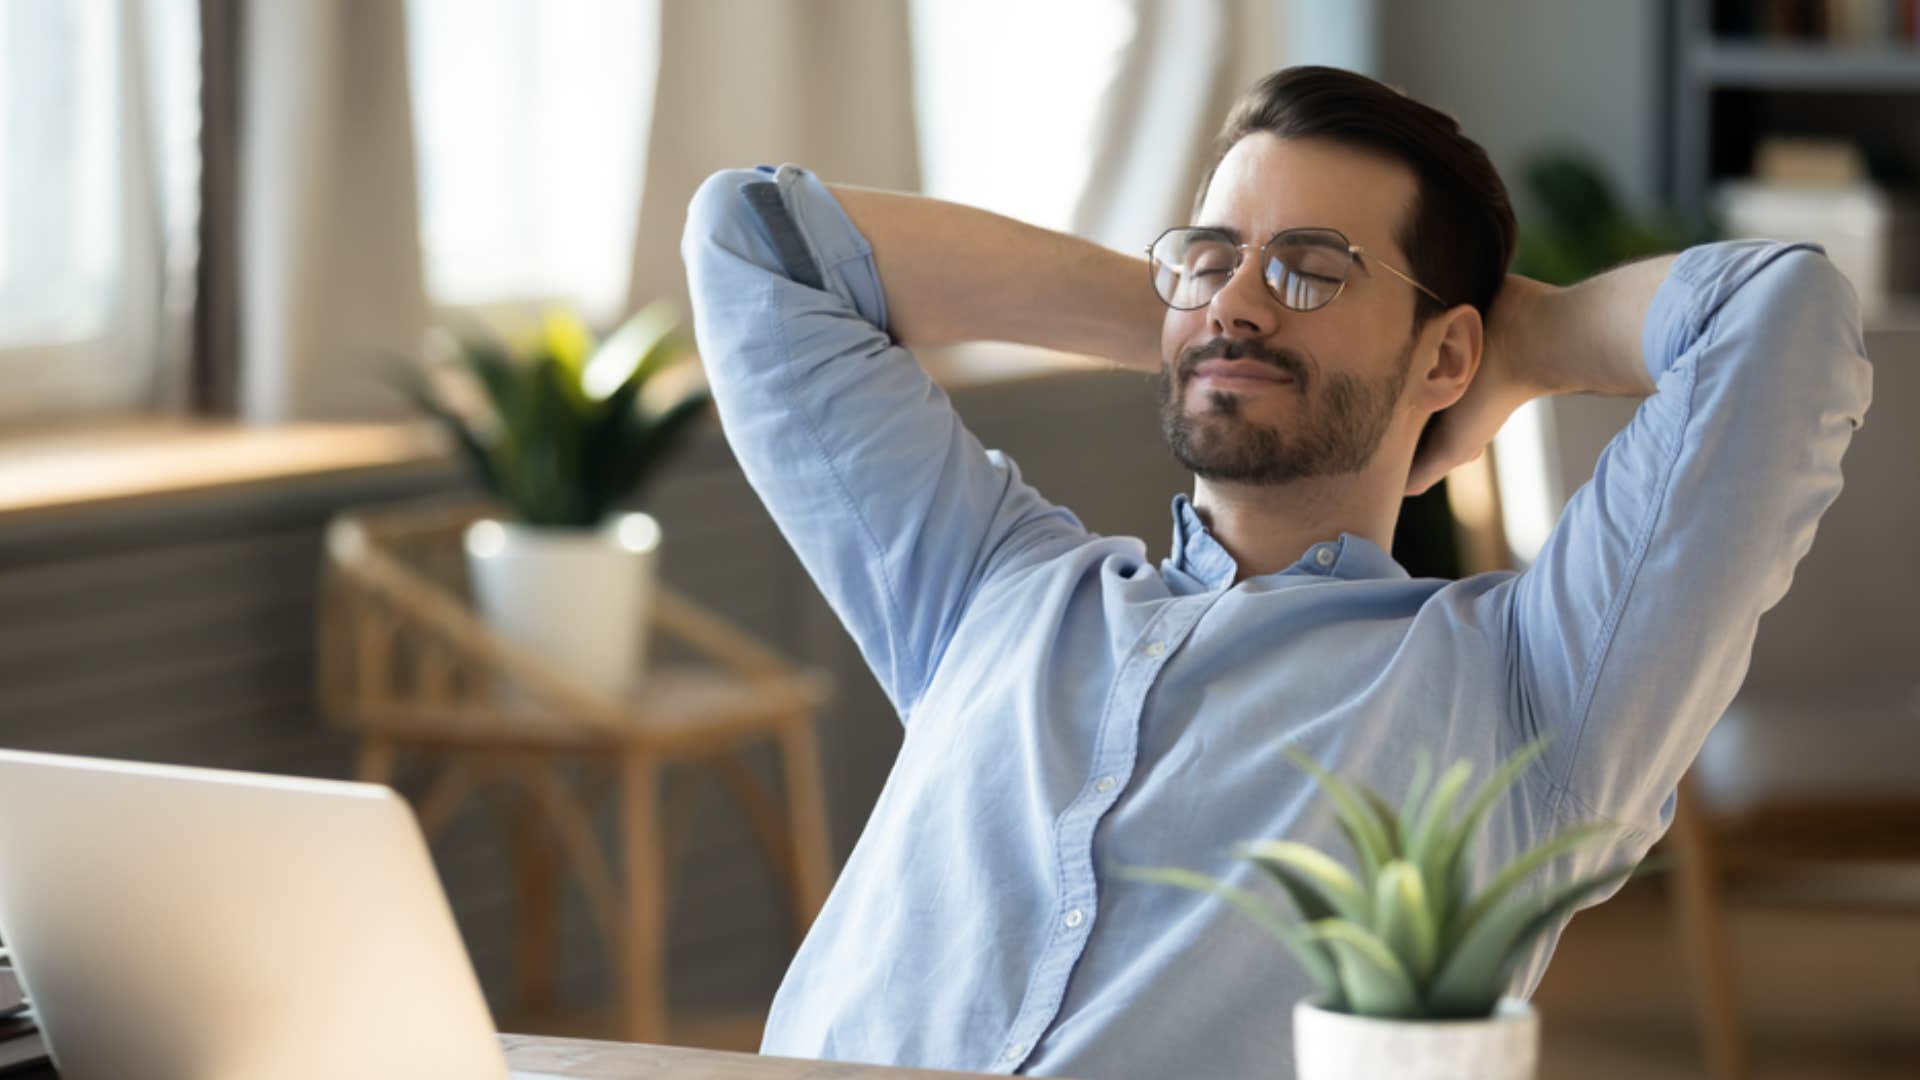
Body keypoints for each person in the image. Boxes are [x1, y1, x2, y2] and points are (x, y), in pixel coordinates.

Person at [679, 65, 1871, 1078]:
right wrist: (1197, 325)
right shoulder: (990, 585)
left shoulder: (1531, 689)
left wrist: (1512, 349)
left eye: (1314, 266)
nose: (1243, 299)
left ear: (1448, 347)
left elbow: (1782, 315)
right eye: (1207, 255)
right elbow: (756, 242)